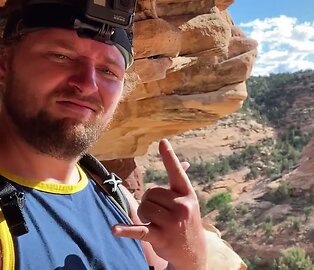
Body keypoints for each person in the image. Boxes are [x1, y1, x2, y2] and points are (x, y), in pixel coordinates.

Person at [0, 0, 207, 269]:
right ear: (4, 63)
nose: (87, 84)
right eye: (62, 56)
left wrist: (189, 260)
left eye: (108, 71)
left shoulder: (115, 196)